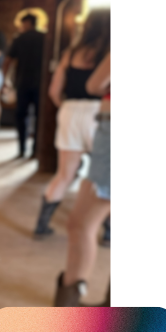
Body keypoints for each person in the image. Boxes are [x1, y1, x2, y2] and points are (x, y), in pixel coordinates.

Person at [34, 10, 110, 237]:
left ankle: (41, 225)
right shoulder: (111, 53)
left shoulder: (70, 54)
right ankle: (108, 231)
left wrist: (67, 108)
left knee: (64, 174)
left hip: (70, 112)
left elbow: (54, 91)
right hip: (102, 114)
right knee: (105, 177)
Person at [55, 43, 110, 307]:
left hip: (81, 115)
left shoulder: (70, 53)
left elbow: (94, 85)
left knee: (80, 220)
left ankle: (71, 312)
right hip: (95, 117)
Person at [4, 12, 46, 158]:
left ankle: (21, 149)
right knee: (39, 117)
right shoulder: (45, 37)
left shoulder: (19, 39)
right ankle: (36, 150)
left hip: (23, 82)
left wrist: (4, 79)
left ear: (27, 23)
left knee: (21, 116)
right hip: (42, 83)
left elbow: (8, 61)